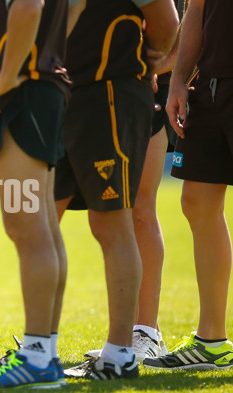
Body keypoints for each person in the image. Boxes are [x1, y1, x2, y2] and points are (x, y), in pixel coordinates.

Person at [53, 0, 178, 380]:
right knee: (42, 218)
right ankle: (38, 347)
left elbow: (171, 22)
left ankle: (141, 334)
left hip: (118, 90)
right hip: (72, 93)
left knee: (132, 211)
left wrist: (147, 65)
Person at [0, 0, 72, 389]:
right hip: (37, 93)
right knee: (42, 227)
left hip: (22, 96)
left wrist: (6, 77)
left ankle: (37, 356)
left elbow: (28, 6)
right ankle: (46, 352)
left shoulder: (19, 84)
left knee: (28, 229)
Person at [142, 0, 233, 371]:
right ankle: (212, 341)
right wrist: (178, 79)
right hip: (210, 82)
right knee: (197, 202)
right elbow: (197, 8)